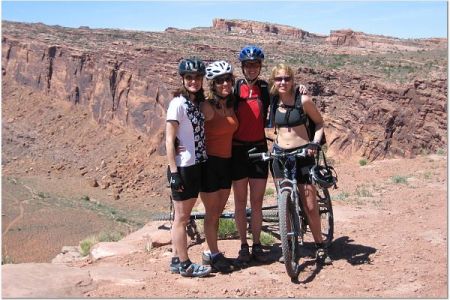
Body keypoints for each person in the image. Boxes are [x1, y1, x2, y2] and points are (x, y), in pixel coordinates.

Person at [268, 63, 332, 265]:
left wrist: (314, 143)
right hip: (279, 156)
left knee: (310, 206)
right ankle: (288, 245)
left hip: (303, 154)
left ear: (293, 80)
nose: (283, 82)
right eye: (279, 79)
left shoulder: (303, 100)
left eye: (287, 78)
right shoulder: (272, 100)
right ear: (273, 81)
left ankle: (320, 245)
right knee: (283, 204)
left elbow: (319, 123)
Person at [165, 57, 212, 277]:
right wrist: (174, 173)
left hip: (195, 165)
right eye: (189, 77)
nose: (193, 81)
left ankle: (176, 260)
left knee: (182, 217)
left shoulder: (194, 103)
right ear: (183, 79)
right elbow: (168, 140)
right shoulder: (177, 103)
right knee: (182, 219)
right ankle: (185, 264)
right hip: (183, 168)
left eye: (197, 77)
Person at [199, 60, 239, 273]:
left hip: (227, 163)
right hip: (209, 164)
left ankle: (209, 252)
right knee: (211, 212)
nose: (225, 83)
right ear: (212, 84)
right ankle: (214, 255)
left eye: (228, 79)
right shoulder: (206, 105)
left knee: (218, 211)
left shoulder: (231, 104)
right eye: (220, 80)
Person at [232, 45, 270, 263]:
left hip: (259, 148)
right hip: (237, 149)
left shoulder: (266, 89)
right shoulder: (235, 88)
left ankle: (257, 244)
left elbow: (285, 96)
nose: (252, 69)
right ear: (243, 67)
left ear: (260, 67)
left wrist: (300, 88)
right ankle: (243, 245)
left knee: (256, 202)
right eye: (248, 65)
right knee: (239, 202)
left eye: (255, 65)